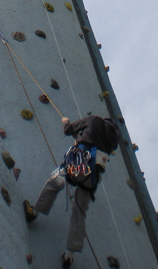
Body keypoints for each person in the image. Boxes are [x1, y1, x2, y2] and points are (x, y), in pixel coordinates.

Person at [23, 114, 120, 268]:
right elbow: (92, 142)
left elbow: (69, 130)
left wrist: (65, 122)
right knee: (80, 211)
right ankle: (69, 255)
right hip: (93, 176)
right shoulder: (111, 141)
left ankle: (33, 212)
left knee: (56, 181)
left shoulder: (95, 120)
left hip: (79, 161)